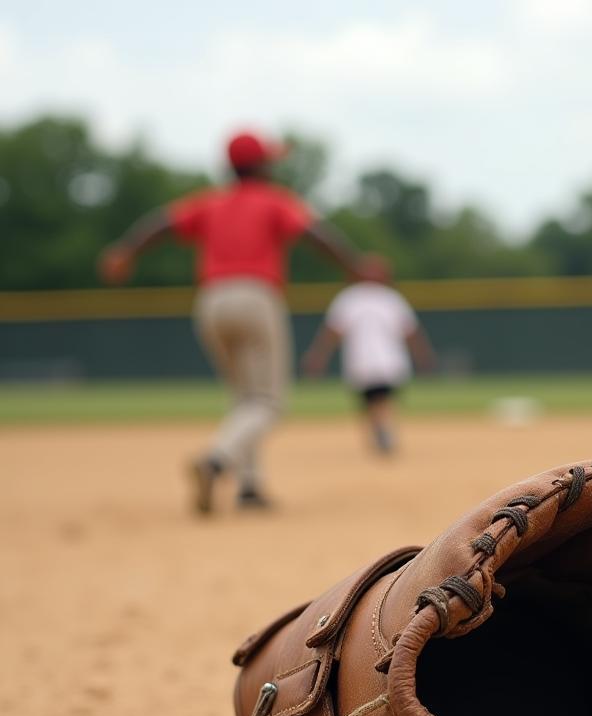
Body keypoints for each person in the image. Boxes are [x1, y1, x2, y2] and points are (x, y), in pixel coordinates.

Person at [98, 131, 365, 513]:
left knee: (244, 399)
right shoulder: (272, 200)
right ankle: (216, 460)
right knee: (267, 402)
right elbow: (314, 232)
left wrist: (126, 250)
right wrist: (351, 265)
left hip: (210, 301)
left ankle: (250, 487)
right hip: (255, 297)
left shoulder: (210, 202)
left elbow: (162, 223)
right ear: (259, 165)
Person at [301, 254, 435, 455]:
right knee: (372, 400)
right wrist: (318, 356)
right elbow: (332, 332)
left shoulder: (388, 298)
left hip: (386, 360)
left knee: (381, 398)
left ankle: (382, 432)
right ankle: (381, 431)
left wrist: (423, 355)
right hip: (363, 361)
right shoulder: (352, 298)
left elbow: (410, 332)